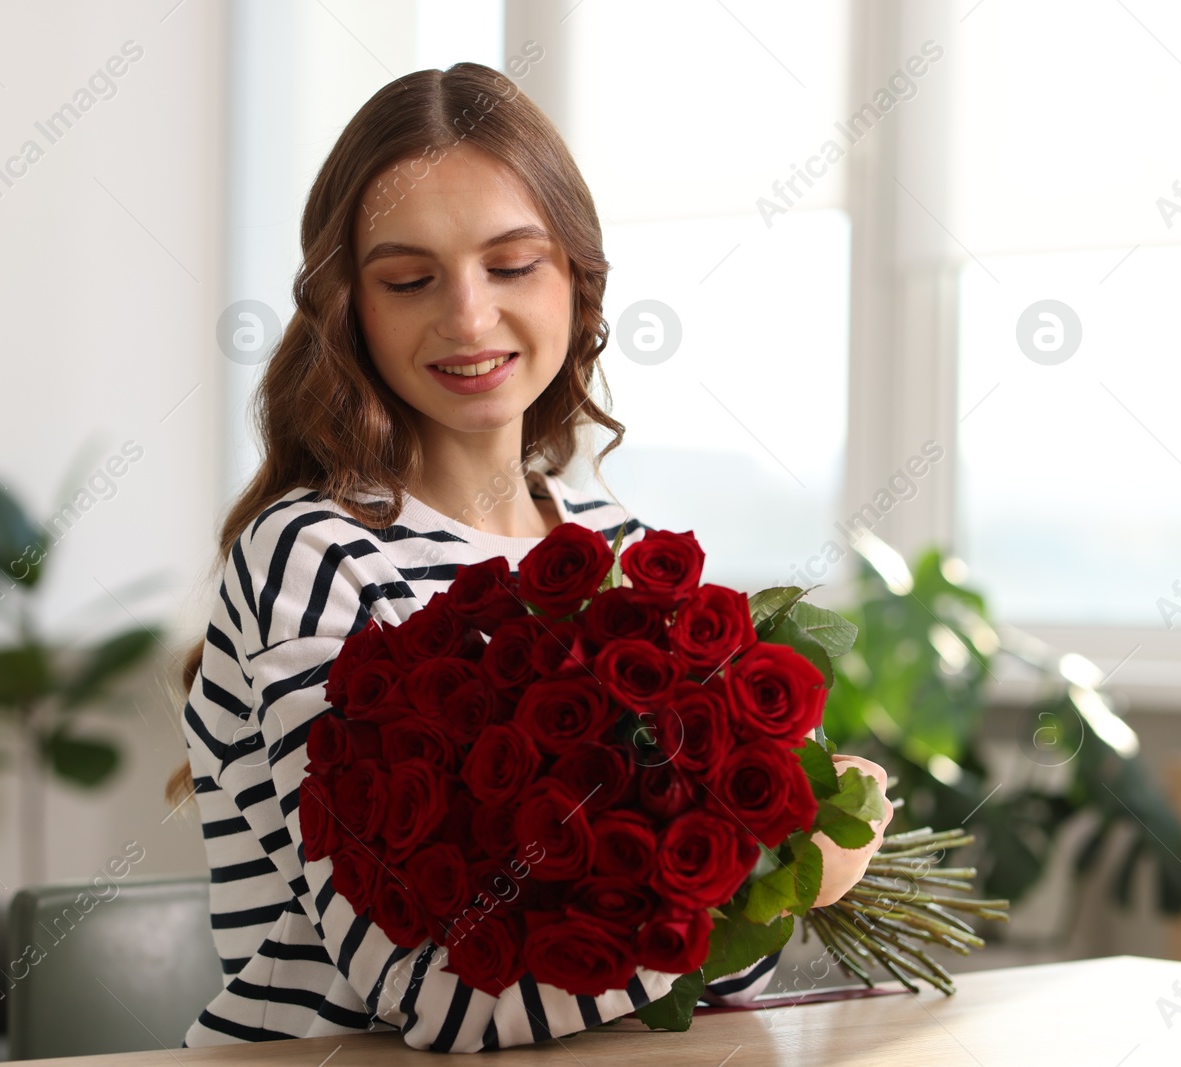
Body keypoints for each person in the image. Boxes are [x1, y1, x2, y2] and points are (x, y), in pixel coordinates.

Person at [165, 61, 891, 1053]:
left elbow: (722, 973)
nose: (466, 316)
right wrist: (785, 869)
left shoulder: (618, 548)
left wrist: (772, 851)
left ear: (578, 281)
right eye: (409, 279)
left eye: (510, 265)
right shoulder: (314, 554)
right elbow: (422, 992)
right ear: (349, 306)